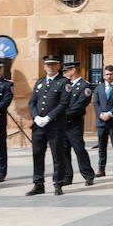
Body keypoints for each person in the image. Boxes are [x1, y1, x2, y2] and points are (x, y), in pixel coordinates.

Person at [27, 54, 70, 196]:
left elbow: (64, 104)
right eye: (47, 65)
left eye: (53, 64)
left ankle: (58, 183)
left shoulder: (64, 82)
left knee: (57, 155)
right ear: (44, 66)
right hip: (39, 126)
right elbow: (32, 102)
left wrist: (49, 117)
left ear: (59, 66)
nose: (50, 67)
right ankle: (38, 184)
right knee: (37, 155)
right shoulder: (39, 82)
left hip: (55, 126)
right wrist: (36, 117)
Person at [59, 59, 95, 187]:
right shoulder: (65, 85)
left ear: (73, 70)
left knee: (79, 149)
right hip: (63, 124)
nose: (64, 73)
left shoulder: (85, 86)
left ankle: (88, 174)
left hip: (74, 123)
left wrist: (63, 114)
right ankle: (67, 176)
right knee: (63, 150)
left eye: (66, 70)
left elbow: (80, 105)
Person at [94, 64, 113, 177]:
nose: (109, 76)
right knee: (102, 146)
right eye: (107, 74)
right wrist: (100, 114)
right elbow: (96, 103)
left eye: (111, 74)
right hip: (101, 121)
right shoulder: (99, 88)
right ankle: (101, 169)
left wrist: (110, 113)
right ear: (103, 75)